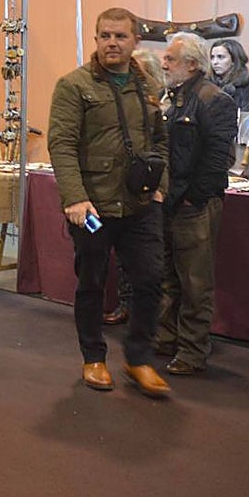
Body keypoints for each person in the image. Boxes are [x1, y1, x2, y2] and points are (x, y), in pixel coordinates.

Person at [48, 7, 171, 398]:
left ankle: (138, 359)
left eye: (119, 36)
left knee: (151, 279)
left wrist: (160, 185)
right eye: (104, 36)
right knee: (92, 281)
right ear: (96, 39)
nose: (111, 43)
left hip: (139, 205)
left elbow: (161, 141)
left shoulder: (146, 85)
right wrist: (75, 197)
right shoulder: (73, 85)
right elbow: (62, 145)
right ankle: (93, 357)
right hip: (92, 208)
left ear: (135, 40)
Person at [157, 32, 237, 375]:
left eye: (170, 59)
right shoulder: (171, 98)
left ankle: (191, 351)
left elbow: (218, 158)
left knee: (194, 282)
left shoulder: (214, 100)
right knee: (168, 277)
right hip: (170, 202)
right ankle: (166, 339)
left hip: (194, 205)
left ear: (191, 64)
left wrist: (193, 198)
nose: (163, 62)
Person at [104, 47, 166, 327]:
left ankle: (146, 319)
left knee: (147, 263)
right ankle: (126, 303)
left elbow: (162, 148)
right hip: (125, 188)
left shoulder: (159, 107)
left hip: (150, 190)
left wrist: (161, 188)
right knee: (124, 258)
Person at [209, 38, 249, 112]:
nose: (215, 62)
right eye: (212, 57)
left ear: (234, 60)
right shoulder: (207, 84)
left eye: (220, 57)